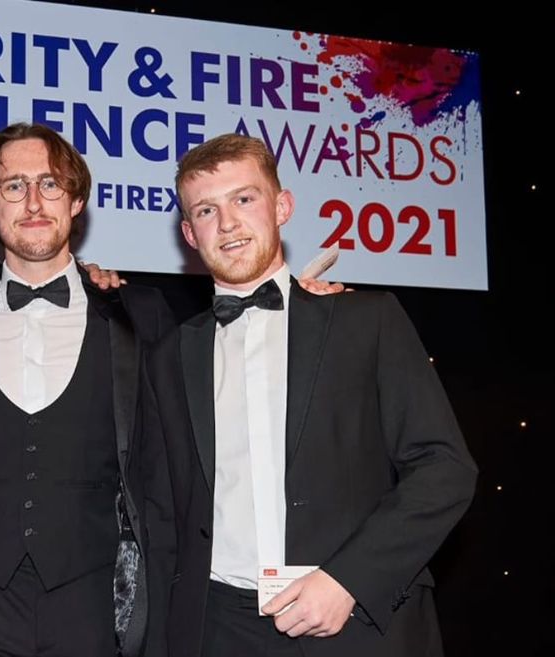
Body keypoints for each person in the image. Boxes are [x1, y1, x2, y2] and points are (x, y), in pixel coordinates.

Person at [143, 134, 478, 657]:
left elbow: (444, 469)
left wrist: (347, 580)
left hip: (356, 619)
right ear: (189, 232)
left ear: (283, 206)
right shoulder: (168, 355)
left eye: (245, 199)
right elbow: (162, 513)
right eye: (207, 210)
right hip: (218, 630)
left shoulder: (367, 322)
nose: (227, 223)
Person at [0, 123, 175, 657]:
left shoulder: (137, 313)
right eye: (14, 186)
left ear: (77, 200)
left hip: (94, 602)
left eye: (51, 184)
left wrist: (304, 298)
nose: (33, 201)